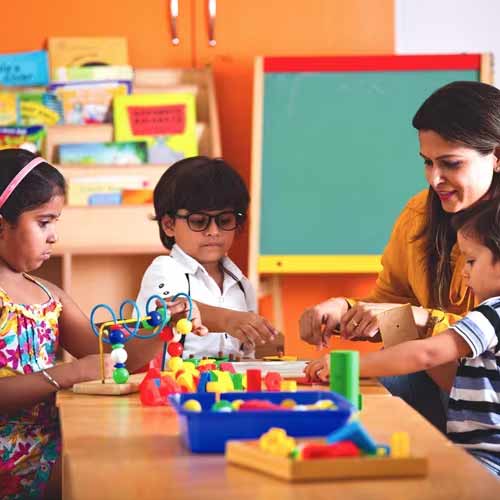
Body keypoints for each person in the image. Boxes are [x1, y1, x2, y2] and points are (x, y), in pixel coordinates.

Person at [0, 149, 200, 499]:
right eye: (44, 222)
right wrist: (71, 373)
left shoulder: (50, 295)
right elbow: (85, 367)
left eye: (56, 223)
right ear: (2, 225)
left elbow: (115, 356)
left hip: (52, 451)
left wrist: (162, 325)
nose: (54, 236)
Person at [300, 81, 500, 431]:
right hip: (437, 384)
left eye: (451, 164)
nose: (434, 178)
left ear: (497, 156)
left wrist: (422, 320)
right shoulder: (420, 215)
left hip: (484, 401)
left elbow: (472, 340)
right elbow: (392, 305)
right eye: (427, 162)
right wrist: (347, 310)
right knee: (348, 400)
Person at [307, 197, 500, 475]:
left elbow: (426, 354)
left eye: (471, 260)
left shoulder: (491, 314)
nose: (464, 271)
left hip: (487, 458)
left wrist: (348, 365)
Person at [136, 156, 278, 360]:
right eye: (199, 221)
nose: (213, 231)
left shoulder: (242, 285)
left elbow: (248, 354)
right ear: (169, 225)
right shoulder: (164, 270)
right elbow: (174, 308)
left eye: (224, 220)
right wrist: (228, 319)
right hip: (174, 387)